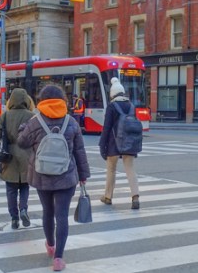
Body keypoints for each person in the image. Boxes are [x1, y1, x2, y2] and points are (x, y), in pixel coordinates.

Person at [18, 84, 90, 272]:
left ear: (42, 100)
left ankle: (50, 245)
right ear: (62, 100)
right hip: (66, 176)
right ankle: (58, 258)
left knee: (47, 212)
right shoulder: (71, 122)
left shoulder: (35, 121)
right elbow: (80, 152)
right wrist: (83, 176)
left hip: (41, 175)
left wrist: (22, 128)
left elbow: (22, 142)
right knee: (62, 215)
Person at [0, 88, 35, 229]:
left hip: (8, 156)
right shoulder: (31, 115)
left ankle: (14, 218)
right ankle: (23, 209)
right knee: (24, 186)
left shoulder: (5, 116)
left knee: (11, 189)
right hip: (27, 155)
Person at [99, 77, 141, 209]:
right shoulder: (131, 106)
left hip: (113, 144)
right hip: (129, 144)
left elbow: (106, 128)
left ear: (112, 94)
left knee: (111, 169)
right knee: (130, 169)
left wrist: (102, 145)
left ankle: (108, 197)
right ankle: (135, 197)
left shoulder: (112, 107)